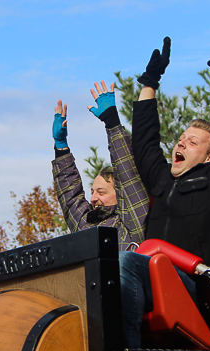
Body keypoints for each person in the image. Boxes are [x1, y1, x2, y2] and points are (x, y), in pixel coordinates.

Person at [119, 38, 210, 349]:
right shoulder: (163, 178)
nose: (181, 144)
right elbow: (144, 142)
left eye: (193, 141)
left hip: (200, 288)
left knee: (126, 263)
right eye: (182, 138)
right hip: (154, 281)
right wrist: (149, 83)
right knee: (102, 272)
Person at [51, 81, 150, 252]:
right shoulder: (86, 225)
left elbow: (127, 174)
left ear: (120, 195)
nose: (94, 198)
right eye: (93, 192)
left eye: (101, 192)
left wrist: (112, 122)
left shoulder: (132, 223)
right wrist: (61, 146)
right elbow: (70, 197)